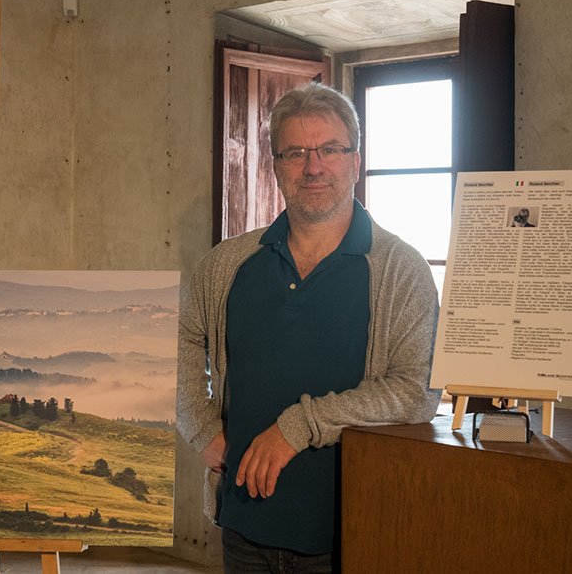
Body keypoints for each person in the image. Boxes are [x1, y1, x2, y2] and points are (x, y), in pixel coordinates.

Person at [176, 83, 440, 573]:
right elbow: (186, 340)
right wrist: (201, 426)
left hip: (346, 536)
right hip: (243, 530)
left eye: (330, 150)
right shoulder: (227, 265)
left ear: (355, 162)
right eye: (295, 152)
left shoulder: (400, 270)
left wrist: (296, 428)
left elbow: (416, 392)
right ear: (276, 167)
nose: (313, 167)